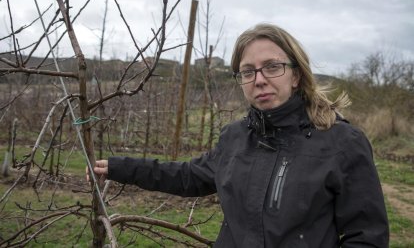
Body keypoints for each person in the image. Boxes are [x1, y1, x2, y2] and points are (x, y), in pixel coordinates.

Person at [87, 23, 389, 247]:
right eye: (248, 71)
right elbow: (188, 176)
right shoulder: (235, 137)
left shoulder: (342, 143)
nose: (259, 80)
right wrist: (118, 168)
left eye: (272, 67)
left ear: (296, 75)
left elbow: (367, 238)